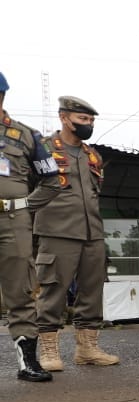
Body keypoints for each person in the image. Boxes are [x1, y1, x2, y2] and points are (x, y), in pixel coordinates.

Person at [27, 96, 119, 373]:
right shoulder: (41, 150)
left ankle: (87, 349)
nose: (88, 124)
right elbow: (27, 191)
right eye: (83, 119)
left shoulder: (93, 155)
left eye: (91, 120)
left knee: (93, 292)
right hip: (57, 233)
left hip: (92, 233)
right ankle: (48, 351)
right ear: (64, 118)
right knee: (52, 292)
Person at [0, 72, 57, 382]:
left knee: (21, 288)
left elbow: (52, 180)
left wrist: (24, 205)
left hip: (13, 221)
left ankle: (28, 361)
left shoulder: (25, 136)